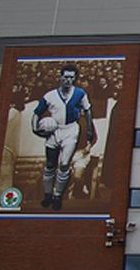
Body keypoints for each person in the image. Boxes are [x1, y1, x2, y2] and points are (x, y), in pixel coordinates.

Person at [31, 64, 95, 210]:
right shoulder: (50, 95)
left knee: (65, 164)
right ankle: (47, 195)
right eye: (66, 77)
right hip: (54, 130)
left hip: (71, 129)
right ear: (61, 77)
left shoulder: (80, 93)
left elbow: (88, 110)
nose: (68, 80)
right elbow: (37, 113)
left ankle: (58, 195)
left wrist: (89, 129)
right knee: (50, 165)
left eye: (71, 77)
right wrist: (35, 129)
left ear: (75, 79)